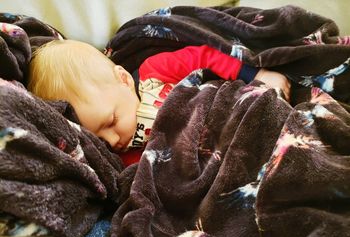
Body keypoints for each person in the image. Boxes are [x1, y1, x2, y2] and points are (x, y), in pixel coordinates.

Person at [28, 39, 291, 166]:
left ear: (123, 80)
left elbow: (204, 57)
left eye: (111, 121)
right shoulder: (124, 158)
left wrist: (255, 75)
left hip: (226, 115)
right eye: (97, 136)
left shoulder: (154, 74)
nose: (110, 140)